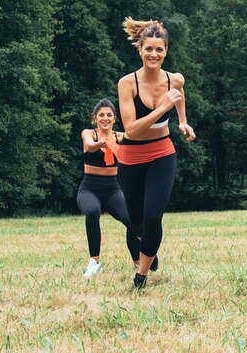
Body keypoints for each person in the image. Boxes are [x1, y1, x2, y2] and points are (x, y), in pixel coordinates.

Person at [118, 17, 196, 290]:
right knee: (137, 222)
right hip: (131, 158)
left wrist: (182, 120)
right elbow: (131, 130)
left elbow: (179, 93)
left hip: (162, 153)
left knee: (153, 217)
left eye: (159, 50)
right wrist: (163, 109)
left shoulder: (175, 79)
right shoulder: (127, 84)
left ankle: (140, 276)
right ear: (140, 49)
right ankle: (148, 249)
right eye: (148, 49)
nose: (154, 54)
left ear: (166, 51)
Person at [77, 98, 157, 279]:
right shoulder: (89, 133)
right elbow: (89, 146)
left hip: (113, 188)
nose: (105, 118)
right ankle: (94, 263)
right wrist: (102, 144)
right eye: (101, 115)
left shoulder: (122, 137)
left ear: (114, 119)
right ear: (95, 118)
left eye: (109, 115)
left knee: (133, 220)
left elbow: (141, 145)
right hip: (89, 187)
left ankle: (140, 260)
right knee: (92, 211)